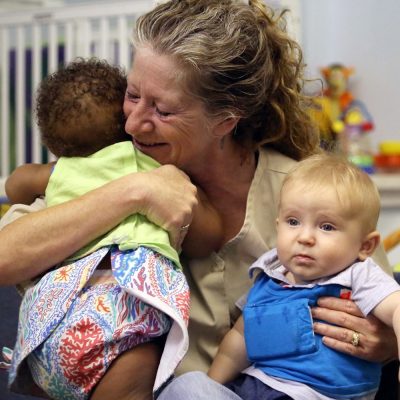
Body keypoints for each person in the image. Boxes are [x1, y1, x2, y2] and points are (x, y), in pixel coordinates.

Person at [0, 0, 397, 398]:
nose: (134, 122)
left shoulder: (308, 190)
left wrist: (386, 345)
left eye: (163, 109)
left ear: (225, 120)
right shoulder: (112, 169)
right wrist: (132, 192)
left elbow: (382, 303)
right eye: (133, 95)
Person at [3, 57, 222, 400]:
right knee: (135, 373)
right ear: (126, 125)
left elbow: (15, 183)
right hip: (121, 306)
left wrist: (51, 170)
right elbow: (208, 237)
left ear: (52, 143)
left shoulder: (58, 173)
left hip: (49, 322)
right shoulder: (151, 169)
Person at [204, 154, 400, 400]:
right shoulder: (269, 275)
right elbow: (239, 339)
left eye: (326, 227)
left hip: (320, 393)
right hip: (257, 385)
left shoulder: (358, 275)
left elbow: (396, 309)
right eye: (293, 222)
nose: (304, 237)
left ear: (365, 246)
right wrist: (211, 386)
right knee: (187, 386)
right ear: (278, 225)